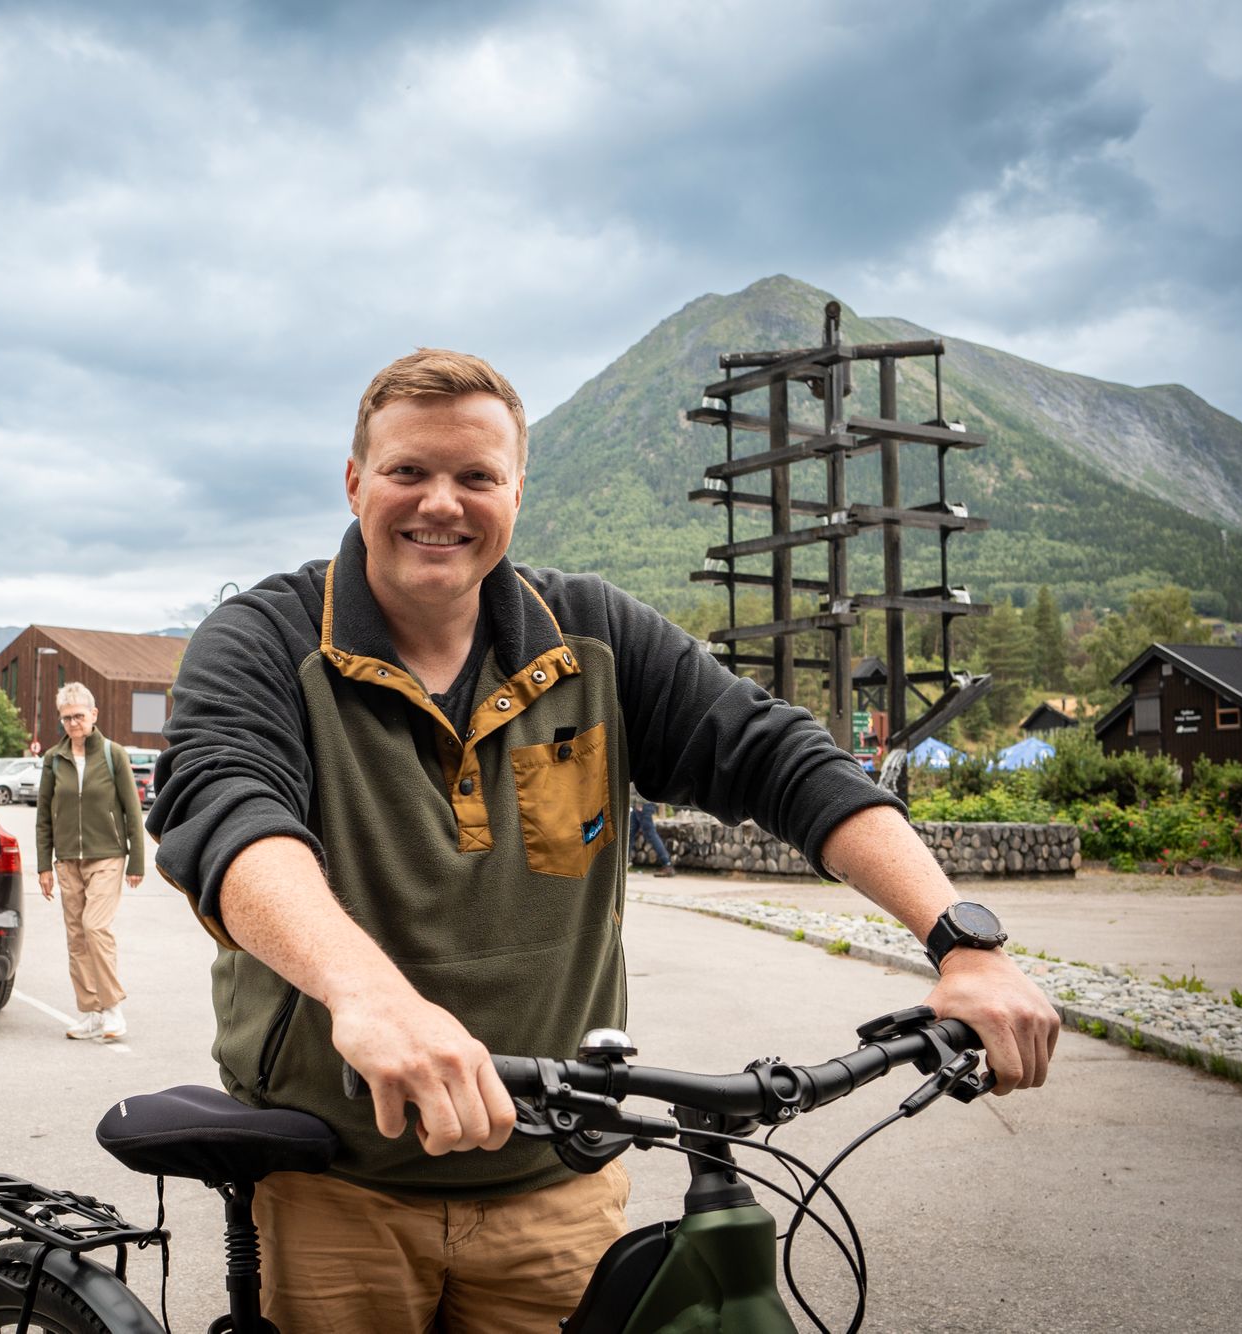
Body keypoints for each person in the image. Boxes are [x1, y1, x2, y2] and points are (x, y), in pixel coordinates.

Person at [147, 348, 1060, 1331]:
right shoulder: (264, 638)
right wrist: (365, 996)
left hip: (556, 1183)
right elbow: (230, 815)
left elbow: (780, 757)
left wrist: (961, 939)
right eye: (409, 470)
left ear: (516, 490)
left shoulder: (588, 637)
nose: (440, 503)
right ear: (355, 480)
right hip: (336, 1179)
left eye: (475, 476)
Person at [36, 681, 145, 1042]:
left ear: (93, 715)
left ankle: (113, 1009)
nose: (72, 723)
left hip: (108, 855)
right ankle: (91, 1013)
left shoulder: (113, 755)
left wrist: (136, 862)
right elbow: (43, 816)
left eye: (78, 716)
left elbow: (132, 810)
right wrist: (43, 866)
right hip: (67, 860)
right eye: (66, 718)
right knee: (76, 937)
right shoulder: (54, 758)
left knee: (95, 927)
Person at [629, 784, 675, 877]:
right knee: (630, 832)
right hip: (638, 804)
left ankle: (667, 864)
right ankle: (623, 861)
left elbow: (642, 779)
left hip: (643, 804)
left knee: (650, 834)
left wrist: (639, 802)